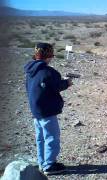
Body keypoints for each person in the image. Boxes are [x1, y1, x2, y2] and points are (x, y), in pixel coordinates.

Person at [24, 43, 72, 175]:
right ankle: (49, 165)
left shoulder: (30, 70)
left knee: (40, 138)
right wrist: (67, 83)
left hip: (36, 110)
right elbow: (56, 86)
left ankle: (42, 162)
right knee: (51, 137)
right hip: (47, 110)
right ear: (48, 56)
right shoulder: (49, 72)